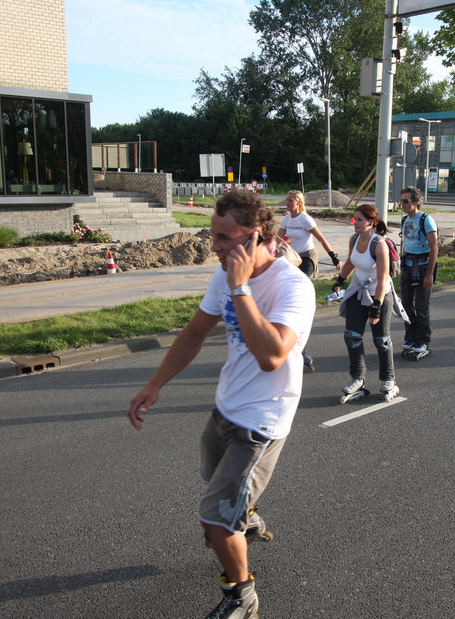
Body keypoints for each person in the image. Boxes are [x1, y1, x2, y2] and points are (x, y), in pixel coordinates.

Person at [127, 190, 315, 619]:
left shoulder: (292, 286)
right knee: (216, 485)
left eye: (224, 238)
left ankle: (241, 597)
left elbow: (272, 356)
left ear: (257, 237)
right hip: (225, 408)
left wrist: (241, 288)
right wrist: (155, 384)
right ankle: (245, 518)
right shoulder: (224, 274)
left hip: (263, 421)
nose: (214, 246)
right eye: (213, 235)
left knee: (215, 517)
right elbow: (195, 332)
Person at [331, 204, 407, 402]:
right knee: (352, 336)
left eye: (360, 220)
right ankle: (358, 379)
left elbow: (383, 279)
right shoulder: (354, 239)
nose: (355, 223)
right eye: (354, 219)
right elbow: (350, 262)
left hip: (379, 294)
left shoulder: (379, 244)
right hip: (358, 291)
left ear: (371, 222)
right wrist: (339, 282)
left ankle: (388, 379)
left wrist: (376, 307)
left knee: (381, 340)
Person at [277, 189, 342, 371]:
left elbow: (321, 238)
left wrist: (334, 257)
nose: (287, 203)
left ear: (299, 202)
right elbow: (277, 239)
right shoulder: (286, 219)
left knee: (296, 290)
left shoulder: (305, 219)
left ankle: (299, 338)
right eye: (287, 200)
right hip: (294, 257)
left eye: (291, 200)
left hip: (308, 257)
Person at [398, 187, 439, 360]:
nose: (402, 204)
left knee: (422, 306)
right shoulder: (405, 220)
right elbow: (406, 243)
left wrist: (429, 274)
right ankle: (411, 337)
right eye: (401, 200)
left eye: (405, 201)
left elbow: (434, 247)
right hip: (408, 265)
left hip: (423, 266)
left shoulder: (426, 220)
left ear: (415, 202)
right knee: (406, 305)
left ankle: (423, 340)